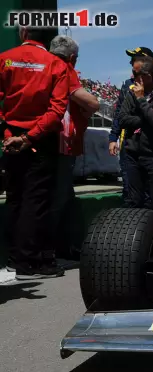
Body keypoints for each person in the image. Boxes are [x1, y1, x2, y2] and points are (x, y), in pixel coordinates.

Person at [0, 26, 69, 279]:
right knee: (35, 202)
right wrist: (30, 137)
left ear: (23, 32)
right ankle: (29, 264)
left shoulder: (4, 59)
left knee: (15, 199)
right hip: (40, 141)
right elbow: (57, 110)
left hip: (11, 138)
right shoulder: (56, 65)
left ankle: (14, 258)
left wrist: (8, 133)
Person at [48, 35, 100, 261]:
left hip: (40, 139)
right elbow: (92, 103)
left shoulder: (43, 66)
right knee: (59, 198)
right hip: (61, 141)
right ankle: (50, 249)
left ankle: (57, 246)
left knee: (57, 195)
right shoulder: (65, 69)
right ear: (72, 57)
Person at [116, 55, 153, 220]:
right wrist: (145, 119)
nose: (133, 78)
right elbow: (122, 118)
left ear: (148, 76)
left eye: (136, 75)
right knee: (134, 201)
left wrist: (142, 99)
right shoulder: (131, 91)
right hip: (132, 152)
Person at [109, 46, 153, 204]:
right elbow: (119, 115)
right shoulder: (127, 85)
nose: (131, 63)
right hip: (129, 143)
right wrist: (113, 137)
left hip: (151, 145)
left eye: (135, 59)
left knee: (151, 191)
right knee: (129, 187)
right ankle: (130, 224)